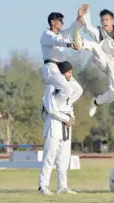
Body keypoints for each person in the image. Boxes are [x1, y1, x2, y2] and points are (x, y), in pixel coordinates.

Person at [38, 62, 78, 195]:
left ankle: (62, 187)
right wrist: (66, 119)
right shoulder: (50, 87)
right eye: (68, 72)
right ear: (60, 74)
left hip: (66, 127)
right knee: (49, 157)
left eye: (72, 72)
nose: (70, 75)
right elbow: (51, 109)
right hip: (54, 124)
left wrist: (71, 118)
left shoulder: (69, 87)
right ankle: (42, 187)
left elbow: (78, 92)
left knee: (64, 159)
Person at [40, 7, 85, 112]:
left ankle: (63, 107)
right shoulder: (46, 34)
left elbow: (72, 29)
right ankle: (48, 108)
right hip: (51, 68)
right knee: (67, 89)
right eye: (60, 20)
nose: (62, 22)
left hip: (61, 69)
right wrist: (69, 44)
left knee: (78, 90)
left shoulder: (60, 34)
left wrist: (79, 16)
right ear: (52, 22)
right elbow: (57, 40)